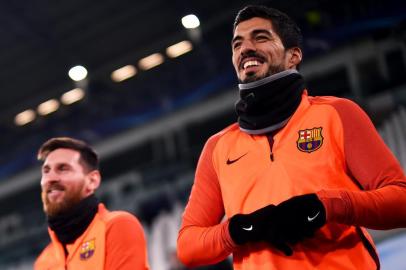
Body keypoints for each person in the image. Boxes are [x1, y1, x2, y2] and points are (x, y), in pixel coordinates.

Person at [177, 5, 406, 270]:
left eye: (260, 37)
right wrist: (238, 230)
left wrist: (328, 206)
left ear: (293, 56)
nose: (245, 48)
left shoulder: (337, 114)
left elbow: (400, 201)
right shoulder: (218, 147)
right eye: (237, 43)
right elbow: (188, 246)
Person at [34, 137, 149, 270]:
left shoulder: (117, 225)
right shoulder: (44, 262)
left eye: (63, 169)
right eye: (46, 171)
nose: (50, 178)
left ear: (92, 181)